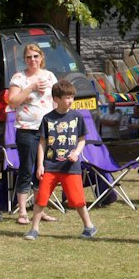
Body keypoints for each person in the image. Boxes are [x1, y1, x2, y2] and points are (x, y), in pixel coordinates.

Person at [24, 80, 97, 241]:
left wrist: (77, 153)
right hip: (50, 166)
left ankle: (89, 226)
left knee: (77, 200)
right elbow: (42, 143)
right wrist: (40, 165)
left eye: (72, 97)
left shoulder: (77, 117)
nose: (70, 100)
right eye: (66, 97)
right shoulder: (47, 119)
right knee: (41, 198)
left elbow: (82, 139)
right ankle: (34, 229)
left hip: (71, 167)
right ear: (56, 99)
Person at [7, 43, 58, 225]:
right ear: (25, 59)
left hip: (47, 130)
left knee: (42, 171)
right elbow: (12, 102)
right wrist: (31, 88)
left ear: (41, 57)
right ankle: (22, 212)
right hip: (27, 130)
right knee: (26, 169)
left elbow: (56, 101)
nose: (32, 60)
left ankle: (39, 210)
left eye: (35, 56)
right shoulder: (19, 77)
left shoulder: (50, 76)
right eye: (29, 57)